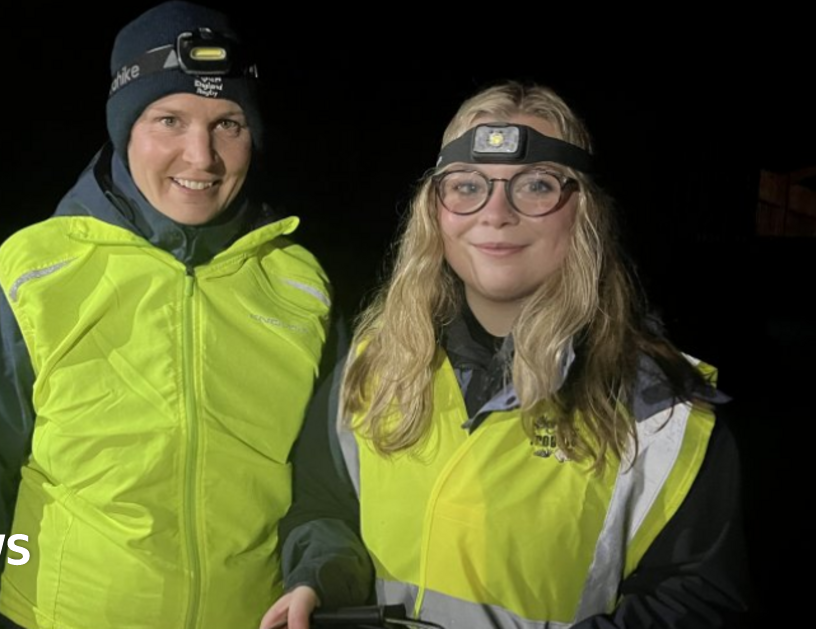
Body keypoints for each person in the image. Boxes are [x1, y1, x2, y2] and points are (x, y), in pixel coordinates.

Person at [0, 0, 337, 629]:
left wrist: (320, 575)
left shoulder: (301, 285)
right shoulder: (35, 269)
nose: (201, 156)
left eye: (228, 124)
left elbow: (326, 481)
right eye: (169, 120)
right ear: (124, 127)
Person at [262, 82, 751, 629]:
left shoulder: (660, 409)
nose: (495, 213)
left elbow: (693, 603)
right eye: (468, 186)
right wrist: (318, 578)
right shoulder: (375, 361)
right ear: (436, 212)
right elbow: (325, 508)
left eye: (536, 186)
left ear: (583, 213)